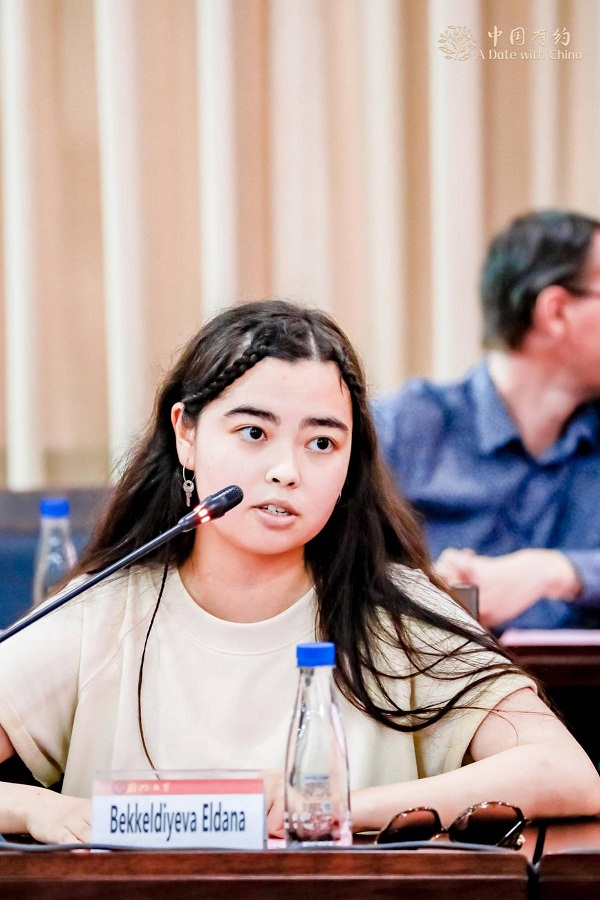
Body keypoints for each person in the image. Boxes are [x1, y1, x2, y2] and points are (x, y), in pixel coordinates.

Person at [0, 298, 598, 845]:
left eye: (321, 444)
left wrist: (340, 809)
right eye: (253, 433)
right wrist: (34, 810)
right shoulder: (104, 611)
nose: (286, 470)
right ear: (186, 434)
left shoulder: (395, 613)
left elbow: (567, 772)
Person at [376, 210, 600, 633]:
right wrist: (418, 586)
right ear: (556, 311)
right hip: (432, 672)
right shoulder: (401, 431)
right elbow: (318, 562)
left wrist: (558, 571)